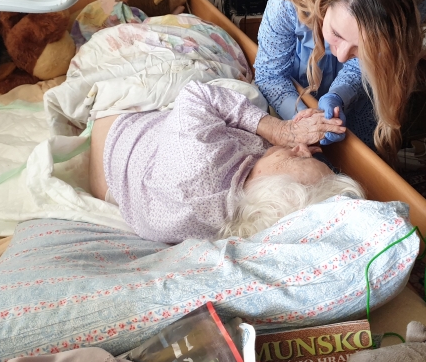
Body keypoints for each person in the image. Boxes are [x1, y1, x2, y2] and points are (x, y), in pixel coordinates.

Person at [89, 80, 364, 243]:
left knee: (239, 91)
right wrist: (286, 142)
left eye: (298, 159)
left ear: (268, 188)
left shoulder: (199, 166)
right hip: (135, 169)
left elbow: (195, 94)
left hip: (117, 127)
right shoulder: (249, 210)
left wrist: (278, 130)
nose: (302, 149)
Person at [254, 0, 426, 162]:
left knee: (361, 161)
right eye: (336, 34)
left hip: (364, 97)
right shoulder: (287, 0)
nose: (342, 56)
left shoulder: (415, 4)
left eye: (362, 48)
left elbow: (365, 66)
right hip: (297, 93)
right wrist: (304, 121)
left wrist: (339, 93)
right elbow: (270, 76)